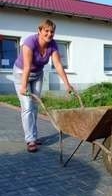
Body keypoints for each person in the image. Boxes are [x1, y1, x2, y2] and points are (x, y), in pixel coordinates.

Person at [13, 19, 74, 153]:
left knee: (35, 106)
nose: (49, 34)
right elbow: (27, 66)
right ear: (39, 30)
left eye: (52, 31)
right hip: (21, 74)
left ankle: (33, 136)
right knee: (27, 107)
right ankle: (30, 140)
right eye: (46, 31)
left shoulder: (53, 45)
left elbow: (58, 65)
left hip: (37, 75)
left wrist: (67, 85)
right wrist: (23, 86)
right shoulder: (29, 43)